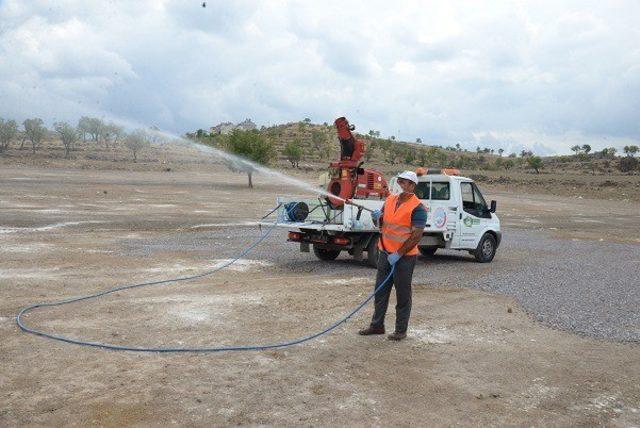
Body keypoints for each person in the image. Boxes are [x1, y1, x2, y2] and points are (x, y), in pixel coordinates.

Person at [358, 171, 427, 341]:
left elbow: (416, 235)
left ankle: (400, 330)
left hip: (404, 257)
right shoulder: (389, 200)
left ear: (412, 185)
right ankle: (377, 325)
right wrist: (376, 218)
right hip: (385, 253)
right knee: (380, 291)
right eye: (400, 181)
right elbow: (380, 225)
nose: (401, 185)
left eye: (405, 182)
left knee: (403, 294)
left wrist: (399, 253)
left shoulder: (418, 208)